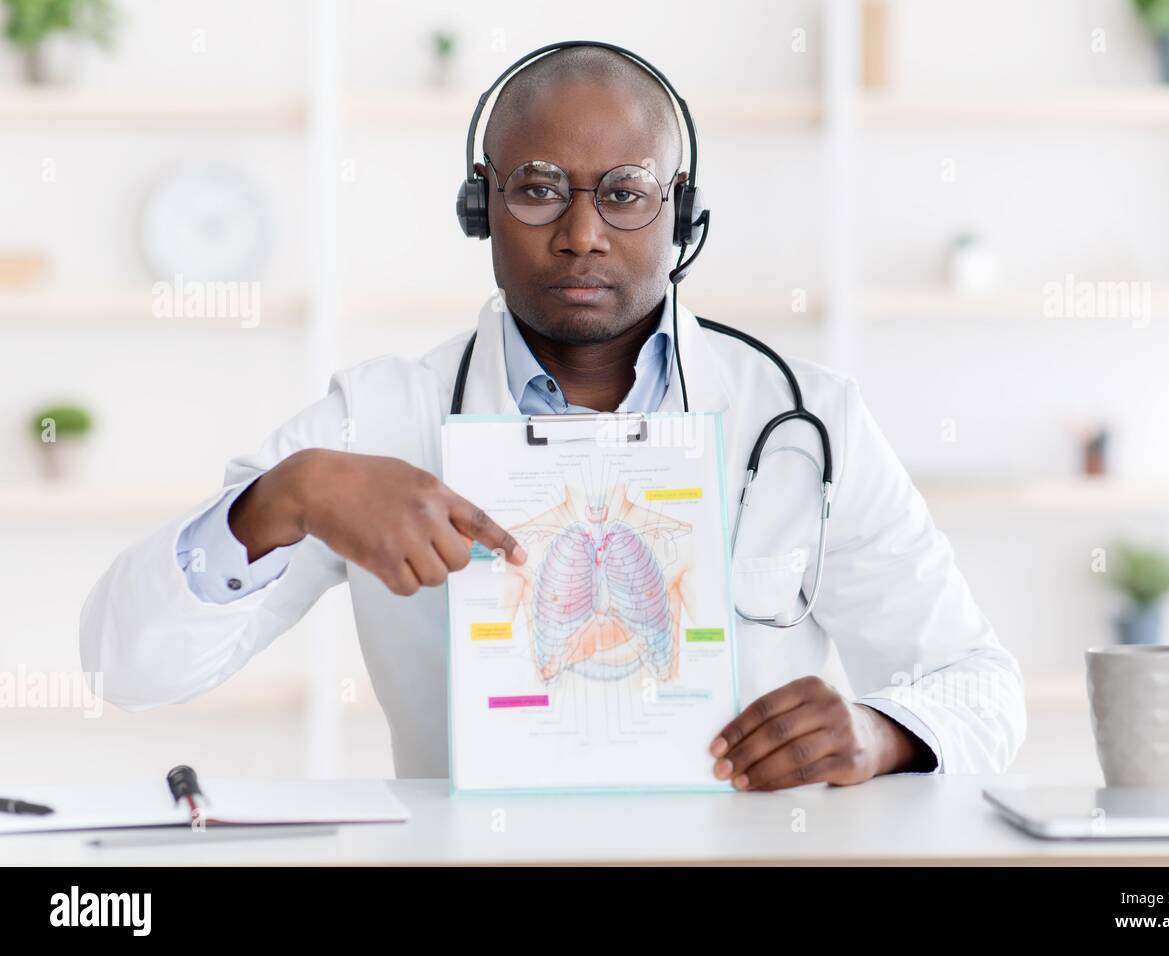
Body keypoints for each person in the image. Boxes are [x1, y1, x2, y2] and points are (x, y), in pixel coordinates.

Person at [81, 45, 1025, 789]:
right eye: (537, 190)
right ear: (479, 208)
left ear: (681, 216)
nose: (582, 232)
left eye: (625, 193)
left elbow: (983, 686)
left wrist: (882, 733)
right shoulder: (375, 419)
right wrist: (284, 498)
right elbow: (125, 665)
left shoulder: (805, 418)